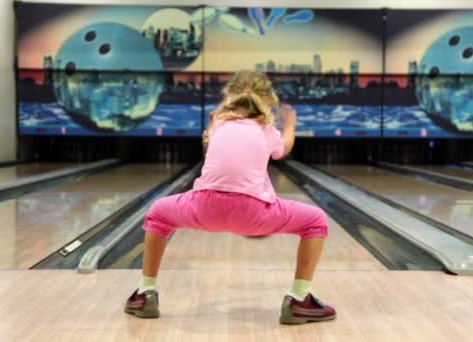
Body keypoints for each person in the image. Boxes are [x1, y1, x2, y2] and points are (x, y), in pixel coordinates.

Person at [124, 70, 336, 325]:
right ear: (267, 99)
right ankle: (300, 299)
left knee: (158, 213)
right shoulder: (265, 127)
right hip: (254, 212)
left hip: (203, 207)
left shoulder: (218, 122)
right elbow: (283, 151)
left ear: (229, 97)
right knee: (315, 221)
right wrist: (290, 126)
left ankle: (145, 292)